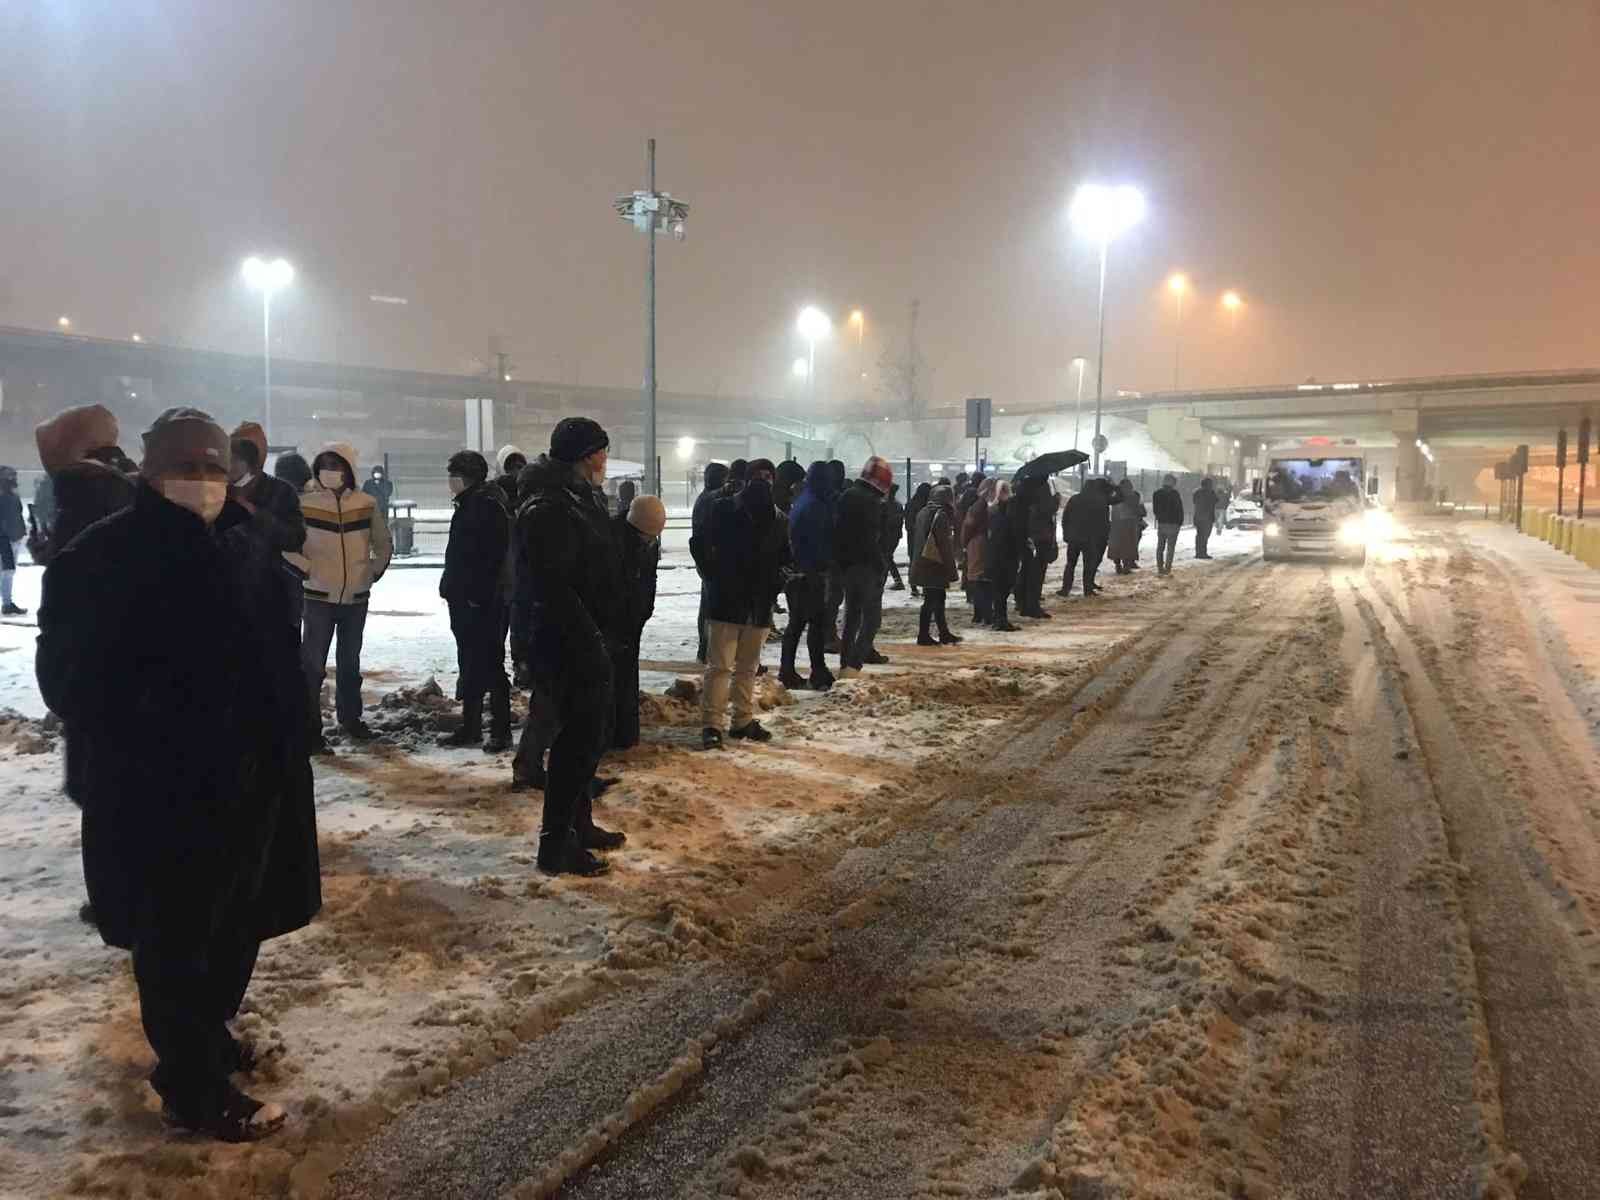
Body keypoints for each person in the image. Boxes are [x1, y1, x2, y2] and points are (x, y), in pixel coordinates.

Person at [36, 407, 319, 1143]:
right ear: (151, 470)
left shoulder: (246, 542)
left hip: (256, 780)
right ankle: (190, 1086)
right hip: (161, 788)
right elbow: (69, 680)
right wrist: (165, 720)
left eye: (214, 468)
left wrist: (290, 733)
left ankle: (206, 1040)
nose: (202, 482)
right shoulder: (103, 556)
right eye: (186, 468)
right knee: (176, 939)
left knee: (238, 925)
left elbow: (277, 652)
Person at [519, 418, 624, 876]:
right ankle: (555, 842)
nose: (604, 460)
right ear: (584, 456)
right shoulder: (551, 506)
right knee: (573, 744)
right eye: (600, 452)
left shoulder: (580, 498)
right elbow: (555, 588)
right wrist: (591, 639)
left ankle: (579, 823)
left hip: (588, 636)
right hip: (568, 642)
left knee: (589, 739)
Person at [300, 444, 392, 751]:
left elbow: (383, 542)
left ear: (348, 470)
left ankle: (351, 719)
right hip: (317, 597)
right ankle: (310, 730)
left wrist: (372, 571)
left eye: (336, 466)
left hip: (356, 598)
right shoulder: (305, 504)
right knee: (312, 667)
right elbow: (289, 545)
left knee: (350, 664)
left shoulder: (365, 504)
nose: (330, 472)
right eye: (324, 465)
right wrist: (306, 569)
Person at [700, 461, 785, 748]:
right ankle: (712, 724)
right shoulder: (723, 509)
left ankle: (742, 720)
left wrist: (777, 583)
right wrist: (714, 576)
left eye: (768, 476)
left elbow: (786, 557)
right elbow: (699, 544)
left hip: (758, 604)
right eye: (758, 476)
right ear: (746, 480)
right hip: (727, 600)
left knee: (748, 667)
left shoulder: (779, 518)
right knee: (720, 666)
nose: (764, 481)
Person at [439, 451, 513, 752]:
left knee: (490, 664)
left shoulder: (484, 506)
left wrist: (476, 596)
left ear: (466, 476)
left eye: (454, 473)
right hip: (467, 598)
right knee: (469, 663)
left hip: (482, 601)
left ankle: (500, 729)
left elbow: (489, 557)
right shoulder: (472, 502)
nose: (450, 479)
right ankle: (471, 727)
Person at [29, 403, 138, 566]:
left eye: (50, 454)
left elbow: (73, 565)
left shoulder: (82, 486)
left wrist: (47, 552)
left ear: (71, 446)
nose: (49, 466)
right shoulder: (132, 479)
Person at [225, 423, 308, 630]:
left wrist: (255, 514)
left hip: (276, 598)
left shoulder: (281, 491)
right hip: (228, 596)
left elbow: (295, 538)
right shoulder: (218, 492)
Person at [609, 494, 665, 749]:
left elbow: (648, 578)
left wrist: (645, 609)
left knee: (627, 676)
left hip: (633, 617)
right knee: (613, 678)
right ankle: (614, 732)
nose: (652, 540)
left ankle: (625, 732)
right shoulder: (613, 540)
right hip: (613, 619)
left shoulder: (645, 541)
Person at [780, 461, 837, 692]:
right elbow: (815, 542)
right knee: (805, 624)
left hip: (803, 573)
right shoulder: (814, 505)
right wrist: (818, 570)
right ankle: (803, 670)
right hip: (808, 573)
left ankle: (810, 669)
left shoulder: (806, 500)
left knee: (806, 623)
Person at [834, 456, 893, 673]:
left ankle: (845, 663)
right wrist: (879, 564)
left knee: (851, 618)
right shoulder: (870, 502)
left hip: (847, 566)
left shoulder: (846, 496)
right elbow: (871, 538)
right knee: (871, 619)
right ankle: (853, 665)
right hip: (865, 567)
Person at [911, 484, 962, 646]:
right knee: (933, 599)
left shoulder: (923, 512)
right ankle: (924, 634)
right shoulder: (940, 516)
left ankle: (943, 632)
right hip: (935, 564)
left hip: (923, 561)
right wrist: (952, 571)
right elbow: (944, 547)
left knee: (936, 598)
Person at [691, 462, 730, 663]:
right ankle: (707, 650)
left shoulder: (705, 498)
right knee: (710, 607)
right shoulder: (711, 499)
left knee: (707, 605)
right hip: (710, 560)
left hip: (706, 559)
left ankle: (705, 649)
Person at [1060, 479, 1115, 596]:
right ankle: (1088, 589)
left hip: (1074, 537)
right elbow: (1101, 521)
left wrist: (1066, 533)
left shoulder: (1074, 499)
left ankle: (1065, 588)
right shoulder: (1097, 501)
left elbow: (1065, 517)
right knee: (1088, 564)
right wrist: (1113, 486)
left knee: (1070, 564)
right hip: (1089, 538)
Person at [1017, 476, 1058, 618]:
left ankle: (1021, 602)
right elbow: (1046, 509)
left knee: (1026, 571)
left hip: (1027, 536)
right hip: (1040, 536)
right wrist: (1056, 500)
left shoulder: (1023, 488)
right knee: (1037, 573)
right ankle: (1032, 606)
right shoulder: (1041, 488)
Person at [986, 480, 1022, 631]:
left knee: (999, 589)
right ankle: (1000, 620)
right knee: (1003, 588)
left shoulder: (992, 510)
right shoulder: (1009, 510)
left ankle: (998, 618)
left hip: (995, 554)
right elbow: (1013, 533)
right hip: (1006, 555)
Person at [823, 459, 849, 650]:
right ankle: (828, 637)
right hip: (833, 556)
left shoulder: (824, 496)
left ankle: (828, 635)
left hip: (830, 556)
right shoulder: (833, 499)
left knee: (832, 598)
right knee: (831, 599)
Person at [963, 479, 993, 624]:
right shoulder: (983, 506)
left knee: (979, 580)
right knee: (982, 581)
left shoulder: (978, 506)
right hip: (981, 543)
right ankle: (984, 614)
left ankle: (980, 614)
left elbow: (968, 528)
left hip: (977, 543)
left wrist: (964, 543)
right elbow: (969, 527)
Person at [0, 467, 25, 616]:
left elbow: (18, 513)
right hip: (4, 540)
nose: (13, 479)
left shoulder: (14, 496)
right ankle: (7, 603)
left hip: (14, 538)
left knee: (9, 572)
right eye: (9, 476)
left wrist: (21, 532)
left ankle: (8, 602)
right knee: (7, 571)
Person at [1108, 479, 1145, 574]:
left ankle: (1118, 565)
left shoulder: (1115, 495)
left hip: (1116, 524)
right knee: (1128, 545)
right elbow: (1140, 510)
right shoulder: (1134, 496)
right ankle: (1126, 565)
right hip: (1129, 524)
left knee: (1117, 545)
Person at [1152, 474, 1184, 576]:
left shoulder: (1157, 493)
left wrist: (1160, 517)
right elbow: (1179, 509)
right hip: (1174, 523)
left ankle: (1160, 567)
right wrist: (1179, 522)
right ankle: (1168, 568)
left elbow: (1155, 509)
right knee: (1171, 547)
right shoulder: (1175, 494)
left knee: (1160, 546)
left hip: (1162, 523)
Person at [904, 481, 932, 598]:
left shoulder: (911, 503)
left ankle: (914, 587)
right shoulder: (927, 505)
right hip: (925, 538)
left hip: (913, 538)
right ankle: (925, 587)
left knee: (914, 562)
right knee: (926, 563)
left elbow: (908, 524)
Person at [882, 482, 906, 591]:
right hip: (894, 535)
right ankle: (895, 580)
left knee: (887, 557)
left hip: (888, 535)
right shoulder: (898, 504)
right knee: (887, 558)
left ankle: (895, 580)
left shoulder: (886, 504)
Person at [1192, 477, 1219, 560]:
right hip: (1207, 517)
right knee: (1205, 536)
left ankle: (1198, 552)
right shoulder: (1210, 492)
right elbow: (1216, 500)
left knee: (1199, 535)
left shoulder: (1196, 492)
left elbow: (1194, 502)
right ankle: (1202, 552)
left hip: (1198, 516)